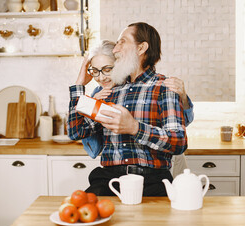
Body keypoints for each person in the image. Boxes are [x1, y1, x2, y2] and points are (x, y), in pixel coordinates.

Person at [68, 22, 189, 196]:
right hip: (108, 180)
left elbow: (179, 142)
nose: (115, 50)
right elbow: (76, 131)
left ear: (141, 48)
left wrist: (134, 128)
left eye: (121, 42)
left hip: (151, 180)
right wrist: (79, 85)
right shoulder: (109, 90)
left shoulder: (165, 87)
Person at [78, 40, 194, 177]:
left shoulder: (153, 86)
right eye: (95, 71)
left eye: (107, 69)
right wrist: (82, 89)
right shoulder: (99, 93)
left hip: (163, 162)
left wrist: (184, 100)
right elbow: (91, 145)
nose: (101, 77)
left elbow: (180, 126)